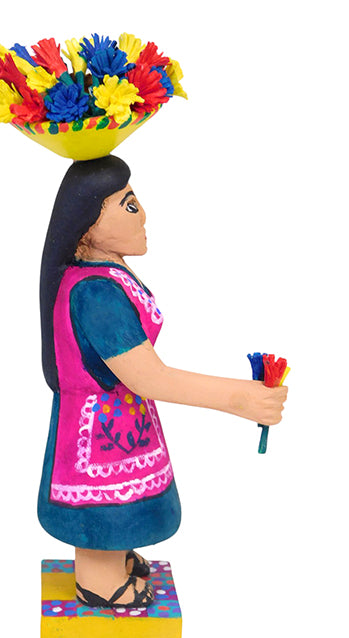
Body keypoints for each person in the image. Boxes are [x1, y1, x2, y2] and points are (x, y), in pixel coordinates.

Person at [37, 155, 287, 607]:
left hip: (119, 419)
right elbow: (149, 377)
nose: (144, 215)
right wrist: (238, 398)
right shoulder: (95, 293)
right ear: (88, 224)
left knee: (120, 504)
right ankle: (97, 578)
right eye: (129, 205)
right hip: (99, 429)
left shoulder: (102, 277)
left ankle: (109, 556)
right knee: (101, 507)